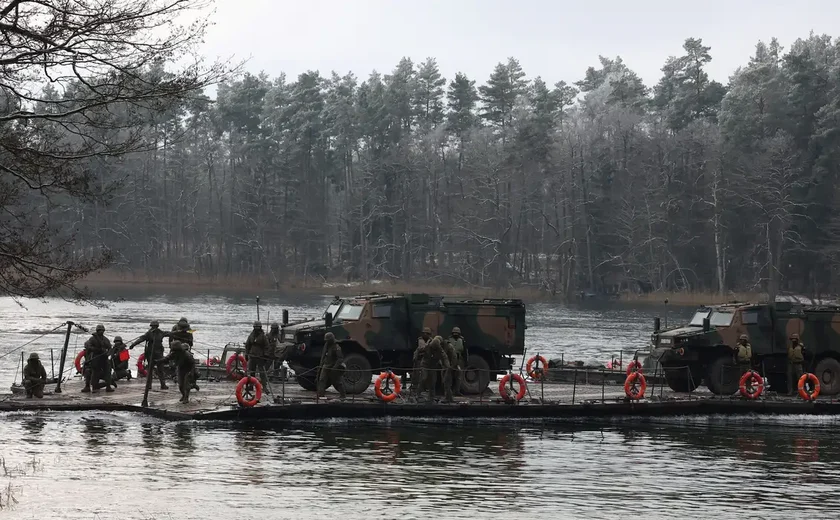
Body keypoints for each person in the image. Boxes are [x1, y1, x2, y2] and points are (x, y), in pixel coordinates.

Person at [128, 320, 169, 390]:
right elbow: (141, 339)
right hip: (151, 354)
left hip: (159, 354)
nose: (153, 328)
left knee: (160, 370)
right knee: (150, 370)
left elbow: (170, 333)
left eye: (155, 326)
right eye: (153, 326)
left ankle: (163, 384)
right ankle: (149, 385)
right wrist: (133, 345)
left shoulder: (161, 333)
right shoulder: (149, 334)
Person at [84, 324, 114, 393]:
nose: (101, 332)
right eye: (99, 330)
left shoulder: (105, 339)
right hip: (96, 357)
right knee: (95, 372)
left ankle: (108, 386)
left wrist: (108, 353)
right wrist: (96, 349)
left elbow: (110, 348)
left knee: (108, 371)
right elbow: (88, 346)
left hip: (104, 357)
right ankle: (94, 387)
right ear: (97, 331)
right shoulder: (92, 339)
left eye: (102, 330)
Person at [419, 336, 450, 402]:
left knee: (433, 381)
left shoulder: (439, 349)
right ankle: (418, 394)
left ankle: (431, 397)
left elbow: (445, 357)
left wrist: (447, 366)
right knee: (423, 378)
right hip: (425, 365)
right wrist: (415, 358)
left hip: (433, 366)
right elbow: (418, 351)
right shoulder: (427, 347)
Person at [316, 332, 346, 399]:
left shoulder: (336, 346)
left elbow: (340, 358)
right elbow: (323, 355)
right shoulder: (326, 345)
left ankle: (343, 395)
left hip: (333, 366)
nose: (327, 341)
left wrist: (335, 367)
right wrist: (321, 365)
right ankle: (320, 395)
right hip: (326, 365)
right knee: (322, 380)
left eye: (328, 340)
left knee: (337, 381)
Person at [245, 321, 271, 389]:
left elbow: (267, 346)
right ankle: (251, 385)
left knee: (262, 372)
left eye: (258, 327)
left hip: (260, 357)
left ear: (260, 328)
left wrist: (266, 355)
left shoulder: (263, 336)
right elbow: (248, 345)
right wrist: (246, 354)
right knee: (251, 371)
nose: (256, 328)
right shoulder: (251, 335)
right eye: (255, 327)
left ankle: (264, 386)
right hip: (252, 356)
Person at [411, 327, 432, 397]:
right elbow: (415, 349)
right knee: (417, 374)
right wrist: (415, 357)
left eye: (427, 333)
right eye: (424, 333)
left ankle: (425, 388)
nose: (425, 334)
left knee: (426, 376)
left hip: (427, 359)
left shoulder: (431, 340)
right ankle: (415, 388)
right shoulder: (418, 340)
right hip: (419, 359)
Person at [447, 327, 467, 395]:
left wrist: (466, 360)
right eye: (454, 333)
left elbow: (465, 351)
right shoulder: (449, 339)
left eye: (457, 333)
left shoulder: (462, 340)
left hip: (459, 360)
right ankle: (450, 391)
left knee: (458, 377)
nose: (455, 334)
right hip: (451, 360)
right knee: (450, 376)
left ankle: (457, 391)